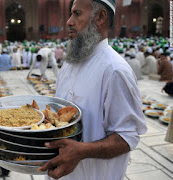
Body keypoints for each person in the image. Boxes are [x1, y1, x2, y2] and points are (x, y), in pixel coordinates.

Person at [38, 1, 147, 179]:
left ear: (100, 17)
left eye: (77, 14)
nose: (69, 21)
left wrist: (82, 151)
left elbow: (128, 137)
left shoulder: (114, 70)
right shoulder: (69, 63)